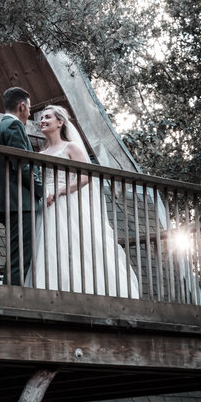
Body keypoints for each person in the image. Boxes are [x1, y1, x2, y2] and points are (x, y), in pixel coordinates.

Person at [25, 105, 139, 298]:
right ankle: (51, 291)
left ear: (60, 122)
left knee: (75, 244)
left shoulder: (70, 147)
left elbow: (85, 177)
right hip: (46, 203)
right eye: (41, 117)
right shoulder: (41, 155)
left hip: (67, 202)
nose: (42, 120)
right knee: (49, 246)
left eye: (47, 117)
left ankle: (85, 290)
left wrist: (59, 192)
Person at [0, 87, 43, 285]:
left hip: (4, 200)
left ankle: (9, 291)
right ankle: (12, 295)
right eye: (29, 108)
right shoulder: (14, 126)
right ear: (21, 106)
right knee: (21, 254)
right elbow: (23, 166)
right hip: (19, 201)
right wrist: (42, 191)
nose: (29, 112)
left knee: (16, 251)